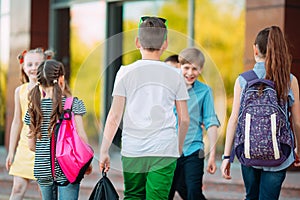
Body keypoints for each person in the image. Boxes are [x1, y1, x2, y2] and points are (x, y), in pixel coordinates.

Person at [99, 16, 190, 199]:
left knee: (133, 195)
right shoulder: (175, 74)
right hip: (164, 149)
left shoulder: (124, 72)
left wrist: (104, 150)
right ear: (165, 44)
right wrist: (178, 147)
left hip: (133, 150)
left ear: (137, 42)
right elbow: (185, 119)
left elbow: (114, 117)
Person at [220, 26, 300, 200]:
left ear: (255, 49)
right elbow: (297, 122)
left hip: (248, 151)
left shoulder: (243, 80)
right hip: (279, 154)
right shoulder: (289, 79)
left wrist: (227, 156)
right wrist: (298, 148)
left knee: (251, 197)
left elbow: (233, 119)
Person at [25, 59, 91, 199]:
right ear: (61, 79)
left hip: (42, 169)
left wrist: (45, 149)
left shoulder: (33, 109)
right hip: (68, 167)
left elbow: (31, 146)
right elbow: (81, 138)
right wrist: (86, 162)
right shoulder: (72, 104)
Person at [168, 47, 220, 200]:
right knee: (167, 193)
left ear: (201, 69)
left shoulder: (205, 91)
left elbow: (211, 122)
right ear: (180, 66)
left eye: (194, 69)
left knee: (194, 193)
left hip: (194, 149)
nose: (190, 73)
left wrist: (212, 155)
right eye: (186, 68)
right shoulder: (168, 89)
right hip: (168, 151)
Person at [5, 48, 54, 200]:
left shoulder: (50, 89)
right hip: (24, 147)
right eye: (30, 64)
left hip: (44, 148)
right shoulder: (20, 91)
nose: (33, 68)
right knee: (17, 188)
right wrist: (11, 151)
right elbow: (16, 122)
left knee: (44, 192)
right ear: (24, 67)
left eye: (38, 64)